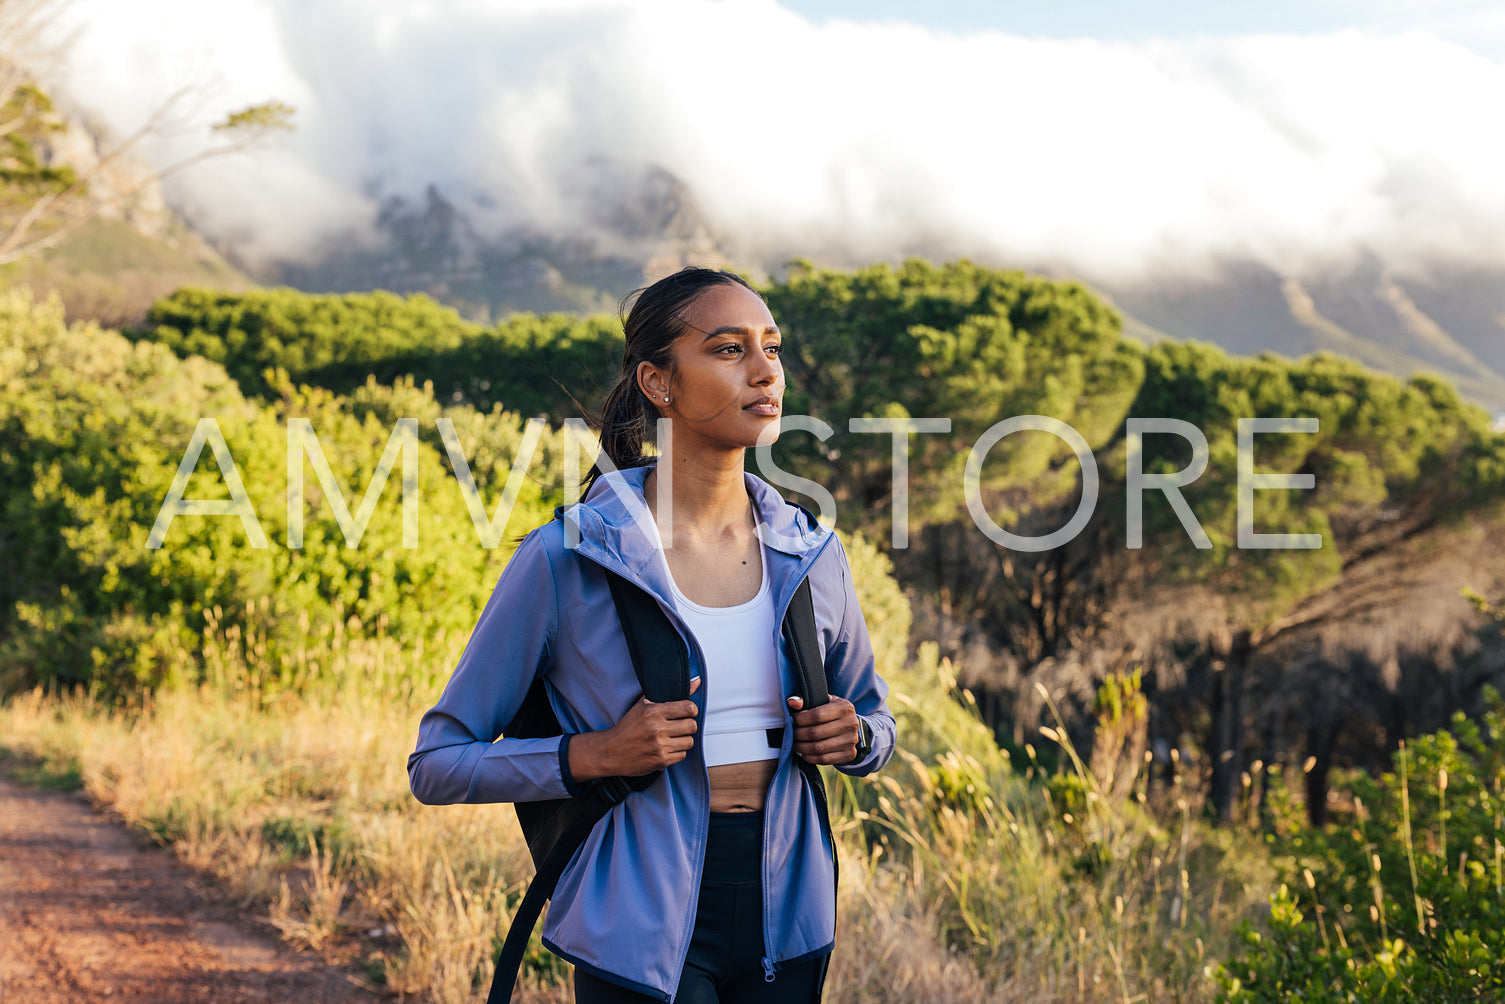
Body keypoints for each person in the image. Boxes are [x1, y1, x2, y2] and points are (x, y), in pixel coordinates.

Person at [408, 266, 896, 1003]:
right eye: (729, 350)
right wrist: (593, 754)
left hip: (789, 912)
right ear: (659, 383)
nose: (765, 369)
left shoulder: (811, 553)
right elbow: (437, 763)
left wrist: (854, 739)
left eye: (772, 347)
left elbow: (874, 717)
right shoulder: (569, 557)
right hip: (633, 922)